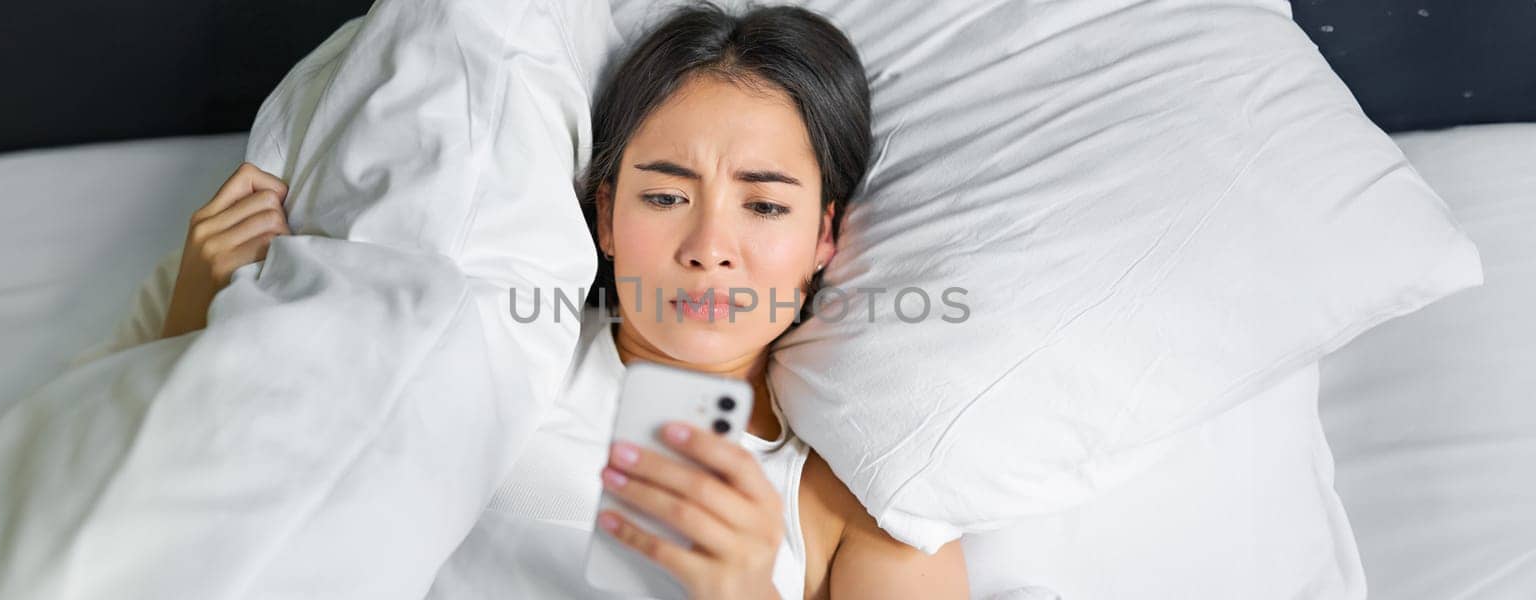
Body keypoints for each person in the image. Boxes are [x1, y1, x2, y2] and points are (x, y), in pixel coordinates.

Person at [162, 3, 967, 599]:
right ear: (605, 217)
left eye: (763, 206)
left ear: (825, 236)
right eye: (664, 197)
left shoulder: (866, 506)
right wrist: (196, 316)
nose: (710, 245)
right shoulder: (488, 352)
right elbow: (217, 504)